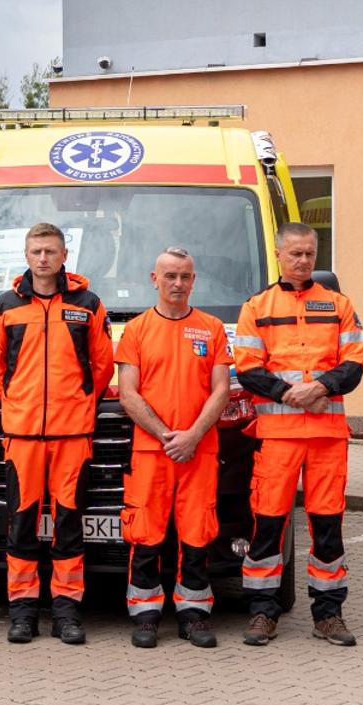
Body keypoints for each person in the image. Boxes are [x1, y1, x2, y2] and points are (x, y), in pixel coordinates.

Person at [234, 222, 363, 647]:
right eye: (295, 253)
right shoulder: (256, 307)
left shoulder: (338, 304)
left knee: (328, 525)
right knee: (268, 524)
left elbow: (355, 362)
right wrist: (292, 393)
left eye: (310, 253)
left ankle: (328, 615)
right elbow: (247, 367)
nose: (303, 260)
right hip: (277, 437)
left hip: (327, 436)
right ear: (279, 255)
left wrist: (320, 387)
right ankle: (263, 613)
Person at [0, 222, 114, 645]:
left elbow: (102, 365)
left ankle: (66, 611)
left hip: (72, 436)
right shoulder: (5, 306)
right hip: (22, 436)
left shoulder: (88, 305)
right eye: (37, 251)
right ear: (26, 255)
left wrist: (80, 402)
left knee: (69, 524)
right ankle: (22, 612)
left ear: (63, 256)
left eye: (51, 251)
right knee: (21, 523)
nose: (43, 258)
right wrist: (15, 401)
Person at [115, 248, 231, 649]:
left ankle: (193, 616)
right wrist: (168, 436)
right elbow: (128, 394)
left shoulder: (212, 328)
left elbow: (221, 390)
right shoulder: (136, 330)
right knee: (145, 533)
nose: (177, 283)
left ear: (193, 280)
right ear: (155, 279)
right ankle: (145, 616)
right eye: (170, 276)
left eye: (184, 276)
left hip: (199, 451)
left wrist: (193, 436)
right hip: (151, 453)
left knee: (197, 533)